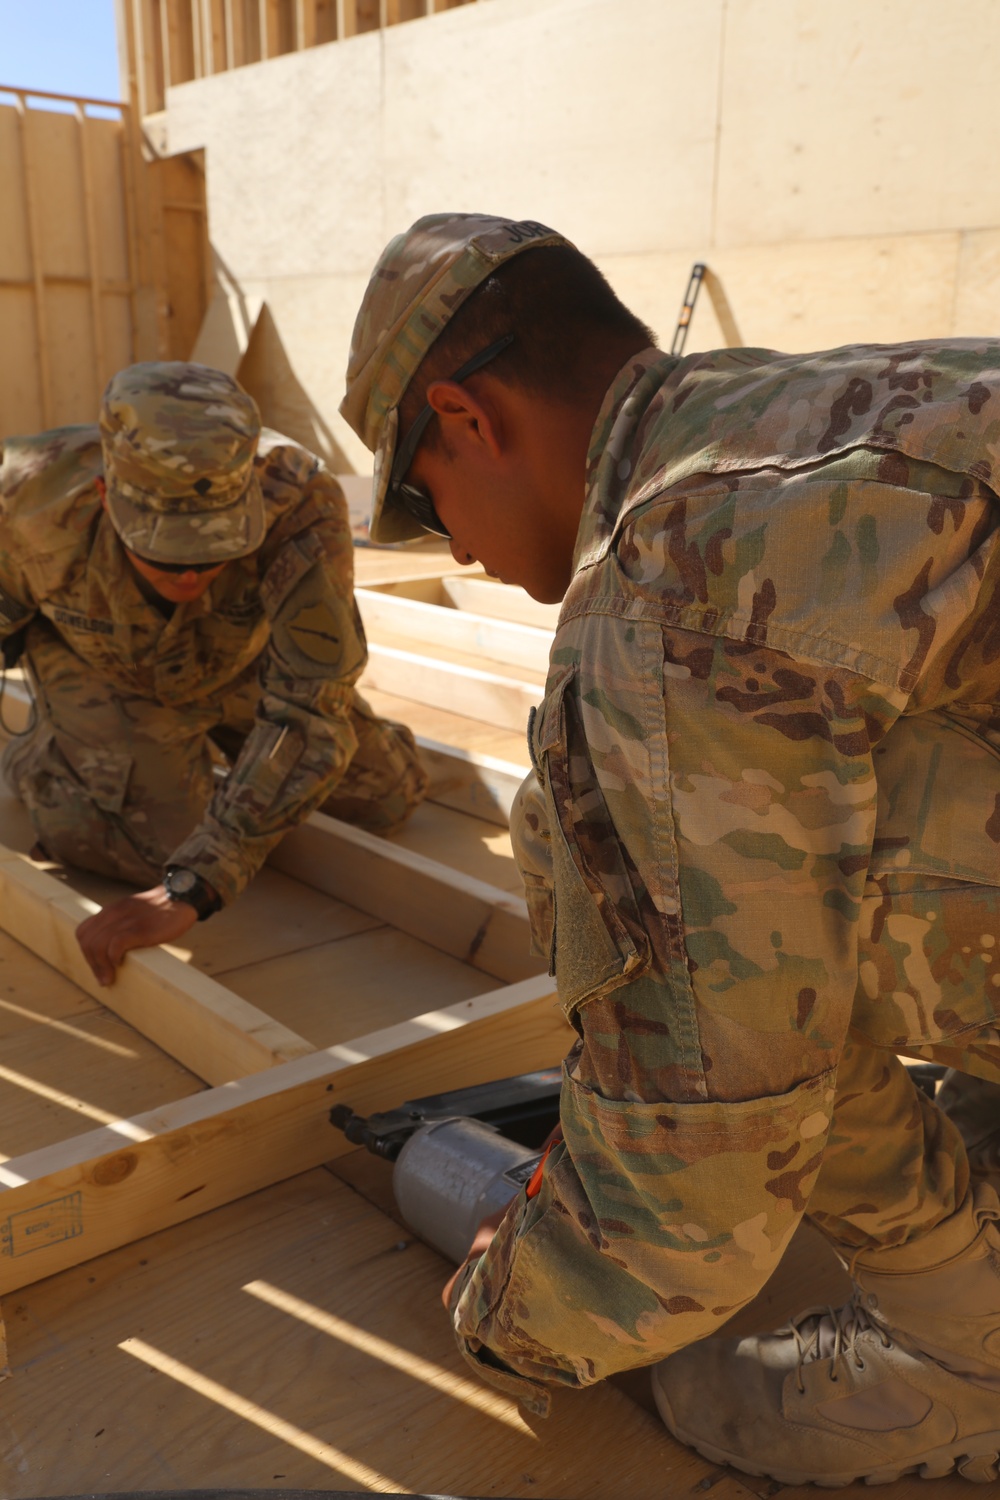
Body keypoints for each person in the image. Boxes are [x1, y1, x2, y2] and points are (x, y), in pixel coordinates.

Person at [339, 212, 1000, 1486]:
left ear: (469, 418)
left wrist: (517, 1309)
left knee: (697, 884)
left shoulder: (671, 582)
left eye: (430, 505)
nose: (459, 549)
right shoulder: (854, 404)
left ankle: (968, 1363)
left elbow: (698, 1179)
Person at [0, 361, 426, 986]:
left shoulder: (300, 497)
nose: (189, 575)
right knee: (158, 845)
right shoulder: (24, 498)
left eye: (215, 549)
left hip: (235, 661)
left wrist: (197, 884)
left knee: (386, 796)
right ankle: (46, 756)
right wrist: (187, 871)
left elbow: (311, 705)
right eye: (164, 551)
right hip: (99, 665)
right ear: (103, 494)